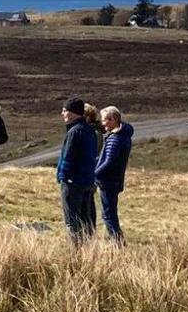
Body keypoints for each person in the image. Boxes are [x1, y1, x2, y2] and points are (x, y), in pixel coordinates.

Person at [56, 98, 100, 240]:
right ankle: (89, 248)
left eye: (64, 111)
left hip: (73, 181)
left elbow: (68, 157)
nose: (62, 114)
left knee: (72, 220)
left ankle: (76, 253)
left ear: (73, 113)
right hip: (87, 180)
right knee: (85, 218)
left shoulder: (74, 132)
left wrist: (63, 176)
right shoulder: (90, 130)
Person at [96, 105, 134, 243]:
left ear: (113, 119)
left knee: (108, 214)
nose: (102, 123)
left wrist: (95, 174)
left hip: (109, 181)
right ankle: (116, 238)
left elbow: (109, 162)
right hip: (114, 180)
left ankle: (116, 241)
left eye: (104, 120)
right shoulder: (121, 136)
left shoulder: (116, 139)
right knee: (110, 212)